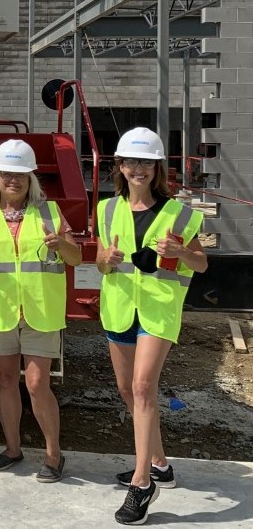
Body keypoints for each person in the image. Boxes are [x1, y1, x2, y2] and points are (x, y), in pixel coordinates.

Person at [96, 127, 206, 525]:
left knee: (143, 387)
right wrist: (105, 259)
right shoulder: (106, 209)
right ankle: (159, 463)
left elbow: (201, 264)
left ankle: (142, 484)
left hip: (158, 312)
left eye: (145, 162)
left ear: (156, 167)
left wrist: (181, 251)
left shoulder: (182, 214)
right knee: (127, 390)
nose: (137, 169)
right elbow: (101, 264)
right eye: (131, 162)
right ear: (120, 167)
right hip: (120, 308)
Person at [0, 139, 81, 483]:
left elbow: (75, 258)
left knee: (37, 383)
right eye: (6, 175)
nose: (13, 181)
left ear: (31, 181)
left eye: (21, 176)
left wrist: (60, 244)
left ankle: (54, 455)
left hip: (40, 311)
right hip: (0, 312)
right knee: (7, 380)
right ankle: (13, 449)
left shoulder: (49, 212)